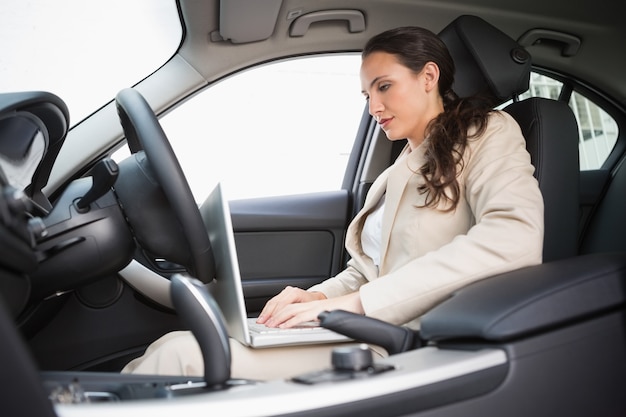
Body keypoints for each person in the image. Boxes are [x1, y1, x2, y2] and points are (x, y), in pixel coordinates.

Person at [122, 26, 544, 380]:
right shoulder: (397, 170)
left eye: (384, 86)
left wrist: (354, 307)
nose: (374, 106)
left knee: (180, 356)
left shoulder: (486, 131)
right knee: (176, 342)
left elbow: (515, 238)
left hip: (410, 342)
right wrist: (316, 299)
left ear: (428, 76)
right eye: (367, 95)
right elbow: (368, 269)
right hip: (365, 328)